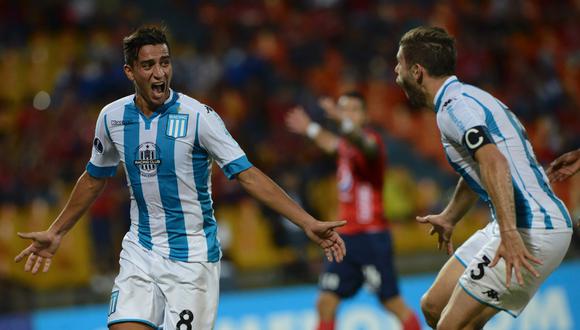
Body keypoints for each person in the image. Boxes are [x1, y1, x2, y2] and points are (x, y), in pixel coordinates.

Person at [14, 25, 346, 330]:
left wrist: (306, 222)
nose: (159, 73)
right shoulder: (112, 117)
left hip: (193, 262)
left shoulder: (198, 117)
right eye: (148, 65)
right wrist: (56, 231)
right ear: (130, 71)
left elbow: (247, 175)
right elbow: (93, 178)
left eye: (165, 62)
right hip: (140, 253)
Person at [394, 26, 573, 329]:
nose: (396, 72)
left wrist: (510, 232)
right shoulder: (467, 97)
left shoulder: (454, 108)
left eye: (399, 64)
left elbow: (495, 162)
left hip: (532, 227)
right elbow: (480, 166)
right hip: (516, 223)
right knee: (433, 306)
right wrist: (450, 217)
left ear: (417, 71)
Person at [285, 92, 421, 330]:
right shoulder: (346, 145)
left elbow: (364, 146)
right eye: (342, 109)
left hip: (372, 238)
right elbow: (331, 143)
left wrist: (341, 121)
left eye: (352, 109)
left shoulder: (372, 142)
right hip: (346, 238)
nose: (346, 114)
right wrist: (310, 128)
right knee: (325, 302)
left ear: (365, 116)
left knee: (392, 303)